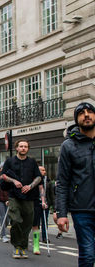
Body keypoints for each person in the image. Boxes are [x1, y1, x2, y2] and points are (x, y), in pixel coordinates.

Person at [56, 102, 95, 267]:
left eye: (90, 112)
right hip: (82, 210)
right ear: (76, 119)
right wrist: (61, 213)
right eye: (81, 113)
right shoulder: (69, 145)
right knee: (87, 255)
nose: (86, 115)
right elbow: (63, 182)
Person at [0, 139, 42, 259]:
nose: (23, 148)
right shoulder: (10, 161)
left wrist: (30, 186)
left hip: (29, 197)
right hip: (14, 196)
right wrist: (14, 181)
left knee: (27, 223)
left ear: (28, 148)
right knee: (16, 221)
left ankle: (23, 247)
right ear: (17, 148)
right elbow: (3, 175)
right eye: (21, 146)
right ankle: (16, 246)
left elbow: (38, 177)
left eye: (25, 146)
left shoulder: (32, 162)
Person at [31, 169, 47, 255]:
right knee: (25, 224)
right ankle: (23, 242)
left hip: (36, 202)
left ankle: (36, 246)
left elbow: (41, 189)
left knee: (35, 225)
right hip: (25, 202)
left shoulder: (38, 178)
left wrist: (43, 201)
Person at [39, 166, 54, 243]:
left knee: (45, 221)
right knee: (36, 222)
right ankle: (36, 237)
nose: (44, 172)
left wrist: (53, 206)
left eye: (44, 170)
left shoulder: (48, 180)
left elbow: (51, 194)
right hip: (36, 203)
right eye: (42, 170)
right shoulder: (35, 179)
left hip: (46, 203)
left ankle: (45, 237)